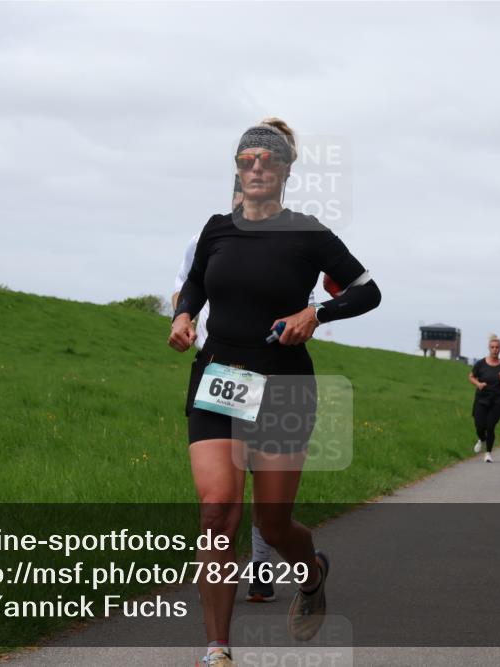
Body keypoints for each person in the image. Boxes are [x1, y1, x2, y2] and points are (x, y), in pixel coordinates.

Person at [169, 118, 381, 667]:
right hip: (217, 379)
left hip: (283, 388)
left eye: (268, 159)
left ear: (286, 170)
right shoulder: (217, 228)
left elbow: (367, 292)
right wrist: (185, 315)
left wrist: (317, 312)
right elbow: (195, 283)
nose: (257, 166)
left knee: (272, 523)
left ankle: (311, 573)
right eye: (247, 158)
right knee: (217, 511)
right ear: (237, 169)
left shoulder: (308, 234)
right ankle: (217, 648)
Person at [468, 335, 500, 463]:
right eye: (492, 347)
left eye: (497, 347)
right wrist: (478, 384)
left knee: (490, 426)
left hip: (497, 401)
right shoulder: (480, 364)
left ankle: (488, 453)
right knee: (479, 426)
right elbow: (471, 376)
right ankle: (481, 439)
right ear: (489, 348)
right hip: (481, 399)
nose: (495, 349)